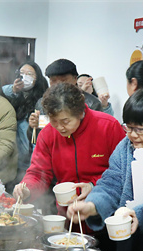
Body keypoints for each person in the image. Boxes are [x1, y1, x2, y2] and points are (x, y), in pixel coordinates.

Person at [67, 89, 143, 251]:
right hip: (130, 237)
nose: (132, 134)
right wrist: (92, 205)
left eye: (140, 129)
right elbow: (111, 183)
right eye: (128, 127)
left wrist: (140, 214)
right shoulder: (125, 147)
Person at [14, 83, 124, 226]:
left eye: (65, 121)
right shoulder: (47, 134)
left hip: (105, 215)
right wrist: (27, 188)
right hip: (68, 216)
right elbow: (38, 173)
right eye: (54, 121)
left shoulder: (108, 126)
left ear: (80, 112)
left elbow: (121, 172)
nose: (59, 127)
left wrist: (93, 185)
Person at [27, 59, 104, 140]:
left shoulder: (92, 103)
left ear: (75, 79)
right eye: (53, 80)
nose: (58, 84)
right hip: (51, 146)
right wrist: (33, 127)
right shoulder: (42, 103)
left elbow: (96, 134)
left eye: (63, 80)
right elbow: (35, 139)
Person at [2, 62, 48, 184]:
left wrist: (35, 162)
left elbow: (45, 129)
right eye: (22, 73)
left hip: (33, 158)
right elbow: (0, 92)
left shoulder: (43, 100)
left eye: (29, 74)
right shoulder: (14, 95)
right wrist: (14, 90)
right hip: (15, 158)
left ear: (37, 77)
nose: (25, 77)